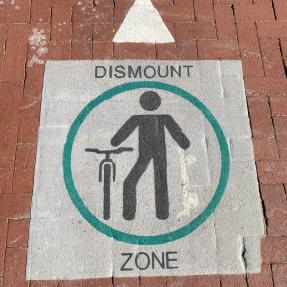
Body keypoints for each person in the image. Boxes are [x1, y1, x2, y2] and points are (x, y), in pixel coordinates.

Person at [111, 91, 190, 220]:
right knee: (160, 180)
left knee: (131, 181)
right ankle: (162, 213)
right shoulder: (164, 118)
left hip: (146, 153)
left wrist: (115, 142)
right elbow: (179, 136)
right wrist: (184, 144)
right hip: (158, 154)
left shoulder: (138, 118)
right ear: (158, 103)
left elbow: (119, 137)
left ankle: (129, 214)